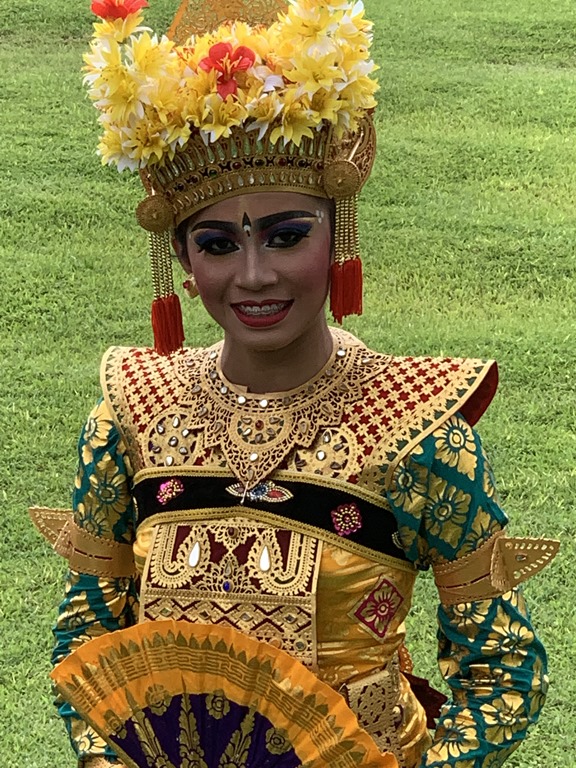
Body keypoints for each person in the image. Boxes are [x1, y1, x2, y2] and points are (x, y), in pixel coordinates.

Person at [31, 0, 559, 767]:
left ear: (337, 231)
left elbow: (502, 674)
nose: (254, 275)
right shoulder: (133, 415)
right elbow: (86, 641)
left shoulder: (416, 429)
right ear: (182, 261)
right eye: (218, 244)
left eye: (286, 236)